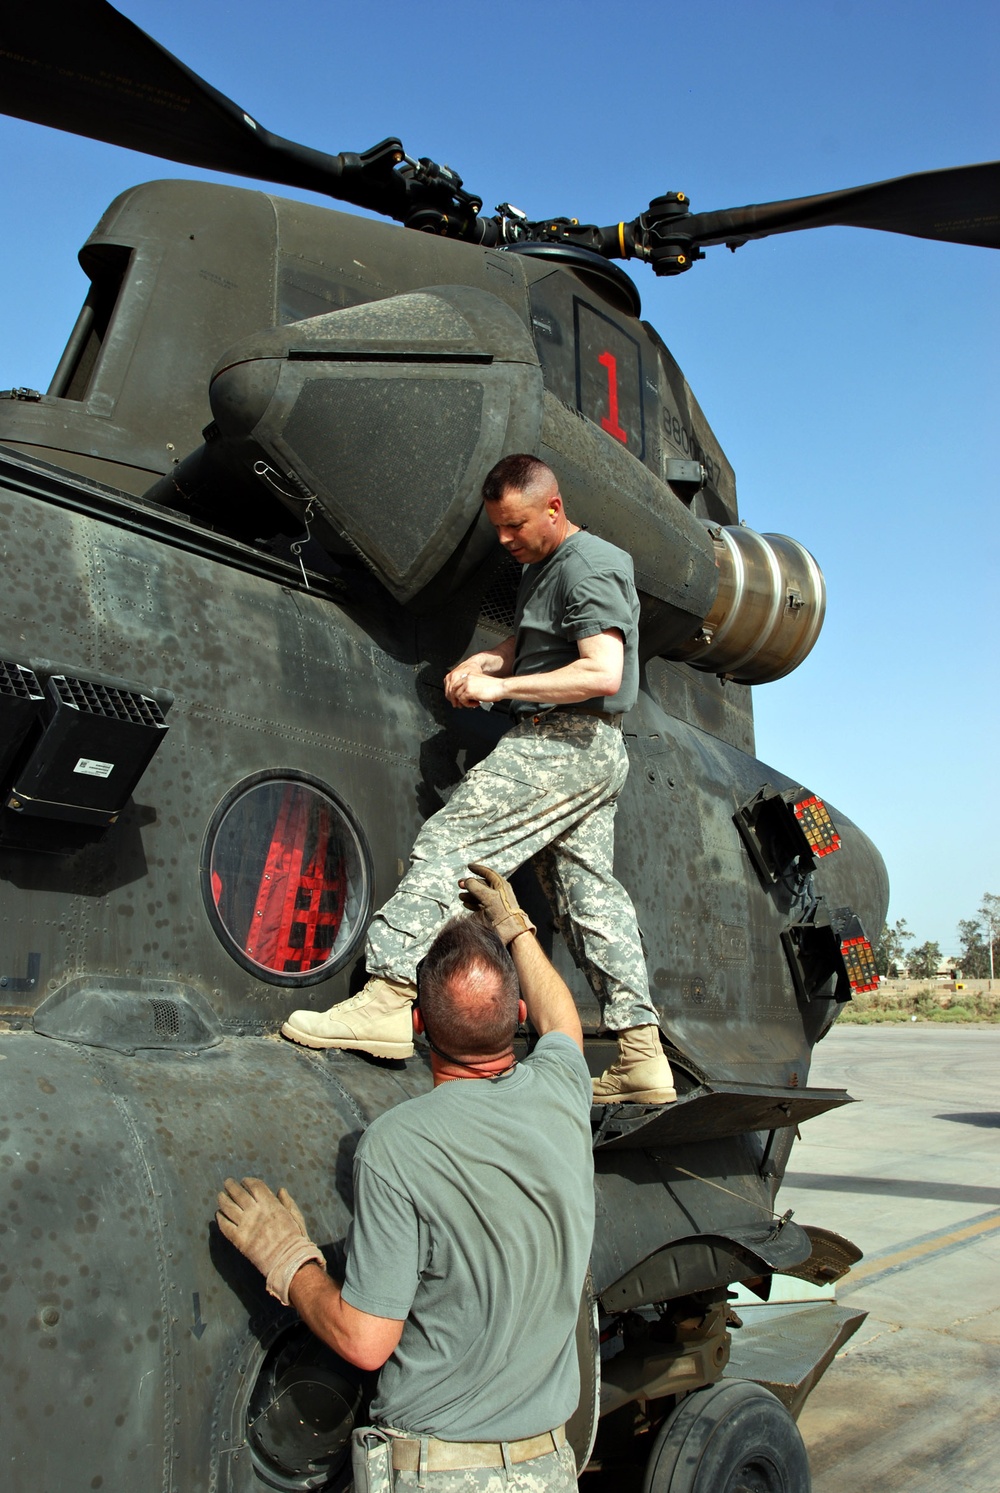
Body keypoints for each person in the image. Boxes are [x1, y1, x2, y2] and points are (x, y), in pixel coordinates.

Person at [281, 452, 675, 1105]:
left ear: (553, 508)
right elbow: (533, 641)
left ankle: (386, 996)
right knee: (589, 898)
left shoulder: (591, 564)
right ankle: (642, 1055)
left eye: (515, 524)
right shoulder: (541, 567)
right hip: (583, 747)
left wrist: (501, 687)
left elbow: (602, 672)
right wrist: (489, 658)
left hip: (564, 738)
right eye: (498, 526)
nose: (505, 538)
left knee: (452, 845)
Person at [217, 864, 593, 1492]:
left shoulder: (397, 1145)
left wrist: (288, 1260)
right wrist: (514, 927)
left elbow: (366, 1343)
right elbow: (563, 1025)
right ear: (516, 1014)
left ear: (419, 1025)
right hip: (550, 1468)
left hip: (444, 1474)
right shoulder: (563, 1090)